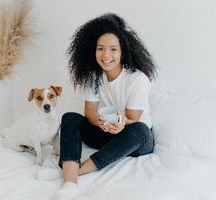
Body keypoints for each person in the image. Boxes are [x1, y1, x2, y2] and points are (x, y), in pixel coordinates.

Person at [56, 13, 157, 200]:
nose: (106, 55)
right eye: (100, 49)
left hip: (134, 139)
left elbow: (133, 118)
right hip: (107, 132)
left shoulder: (137, 79)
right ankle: (69, 184)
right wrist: (100, 122)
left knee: (141, 130)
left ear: (123, 52)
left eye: (113, 49)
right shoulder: (93, 77)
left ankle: (73, 173)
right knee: (70, 118)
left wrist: (121, 123)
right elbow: (90, 112)